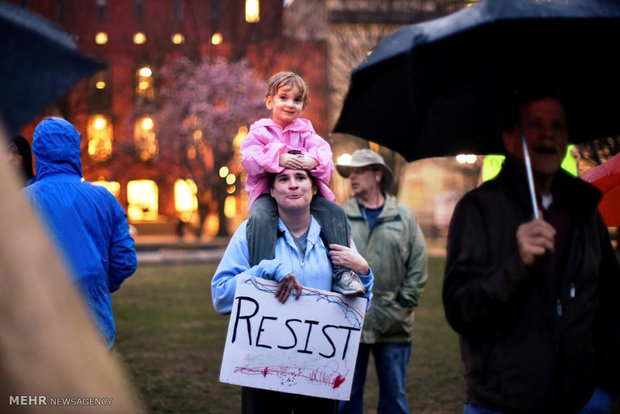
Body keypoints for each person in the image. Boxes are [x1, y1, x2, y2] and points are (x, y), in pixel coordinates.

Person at [443, 91, 620, 413]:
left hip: (582, 400)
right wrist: (516, 263)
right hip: (501, 401)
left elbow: (611, 300)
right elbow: (460, 309)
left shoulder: (584, 210)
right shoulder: (478, 210)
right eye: (534, 125)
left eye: (558, 125)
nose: (548, 134)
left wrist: (604, 386)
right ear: (510, 138)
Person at [212, 167, 374, 413]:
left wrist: (365, 274)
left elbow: (357, 309)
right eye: (283, 179)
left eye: (301, 178)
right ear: (272, 192)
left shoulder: (336, 236)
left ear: (315, 187)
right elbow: (221, 296)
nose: (293, 184)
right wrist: (263, 270)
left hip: (319, 374)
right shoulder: (249, 233)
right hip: (263, 373)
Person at [240, 71, 364, 296]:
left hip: (303, 197)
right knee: (260, 218)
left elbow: (324, 153)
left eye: (297, 100)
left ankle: (342, 274)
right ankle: (262, 274)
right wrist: (278, 157)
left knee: (334, 211)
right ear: (269, 101)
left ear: (303, 105)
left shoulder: (306, 131)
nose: (290, 104)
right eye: (284, 97)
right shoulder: (260, 132)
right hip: (267, 195)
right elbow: (249, 159)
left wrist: (312, 160)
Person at [24, 117, 137, 350]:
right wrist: (99, 286)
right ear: (75, 149)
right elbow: (125, 261)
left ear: (37, 151)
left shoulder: (20, 201)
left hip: (36, 323)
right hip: (95, 324)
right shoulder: (104, 199)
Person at [336, 149, 428, 414]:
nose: (352, 177)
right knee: (345, 398)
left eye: (359, 172)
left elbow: (418, 265)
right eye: (350, 172)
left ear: (377, 175)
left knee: (394, 398)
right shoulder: (339, 216)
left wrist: (403, 302)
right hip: (351, 320)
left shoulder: (403, 217)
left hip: (394, 324)